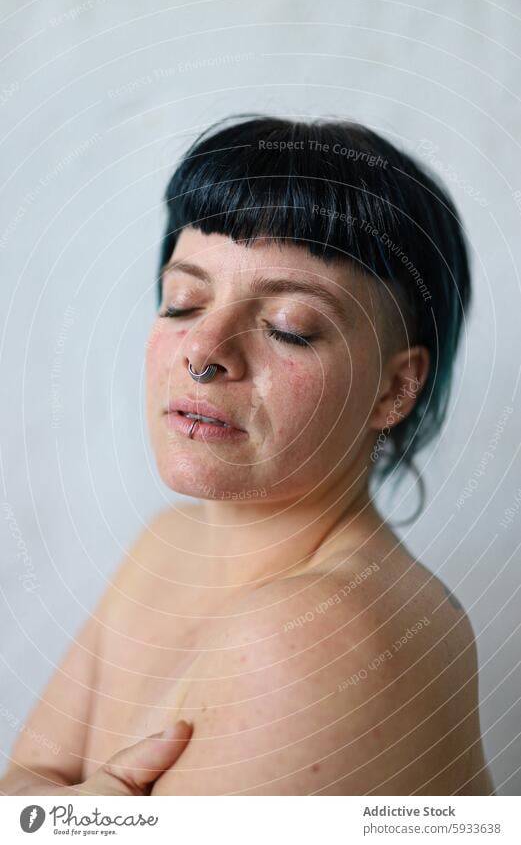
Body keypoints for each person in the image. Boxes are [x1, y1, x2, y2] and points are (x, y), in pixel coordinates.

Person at [1, 115, 495, 796]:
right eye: (183, 302)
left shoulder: (318, 636)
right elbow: (22, 787)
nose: (202, 352)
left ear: (394, 386)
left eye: (287, 326)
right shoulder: (166, 545)